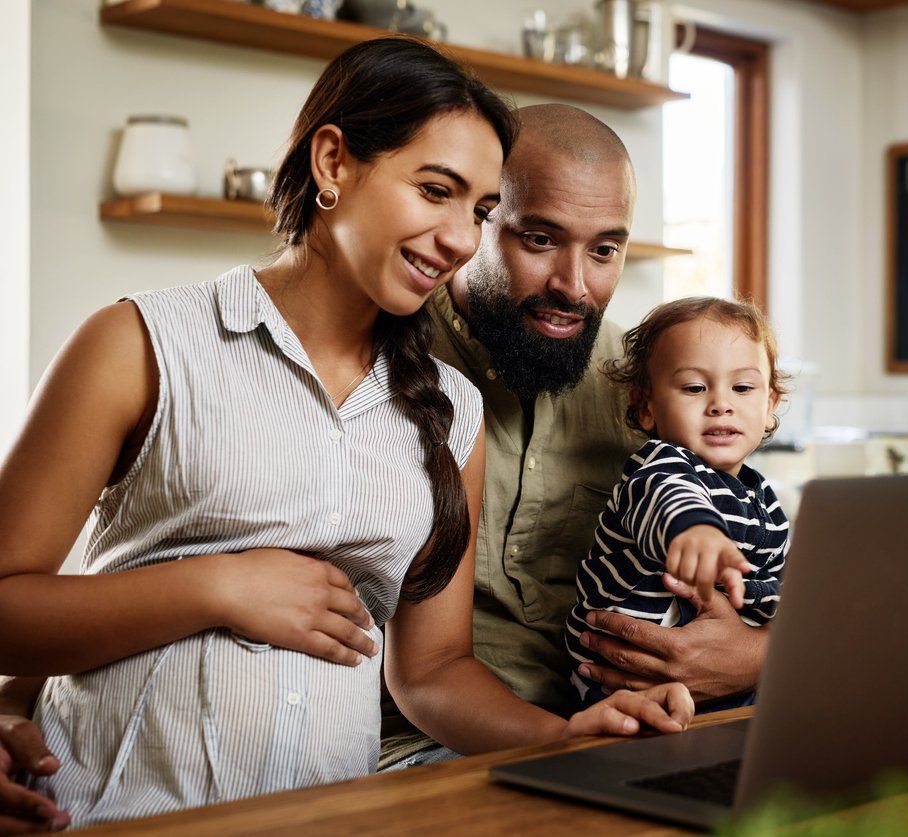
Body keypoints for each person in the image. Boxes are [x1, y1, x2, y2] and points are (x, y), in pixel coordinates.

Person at [0, 39, 690, 830]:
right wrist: (218, 585)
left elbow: (431, 671)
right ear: (333, 163)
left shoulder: (450, 412)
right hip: (113, 812)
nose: (462, 239)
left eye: (480, 211)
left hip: (333, 818)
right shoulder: (138, 344)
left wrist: (562, 738)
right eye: (436, 190)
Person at [381, 105, 775, 767]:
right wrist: (573, 739)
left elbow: (757, 559)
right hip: (436, 744)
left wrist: (751, 658)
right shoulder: (389, 371)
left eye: (604, 249)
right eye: (538, 239)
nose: (575, 286)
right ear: (478, 221)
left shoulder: (651, 385)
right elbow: (423, 671)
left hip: (637, 730)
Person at [564, 298, 790, 709]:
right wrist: (697, 531)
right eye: (694, 388)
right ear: (646, 408)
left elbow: (779, 586)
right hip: (622, 687)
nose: (721, 403)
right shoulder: (658, 466)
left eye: (742, 388)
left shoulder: (765, 503)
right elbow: (669, 499)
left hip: (729, 684)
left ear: (770, 406)